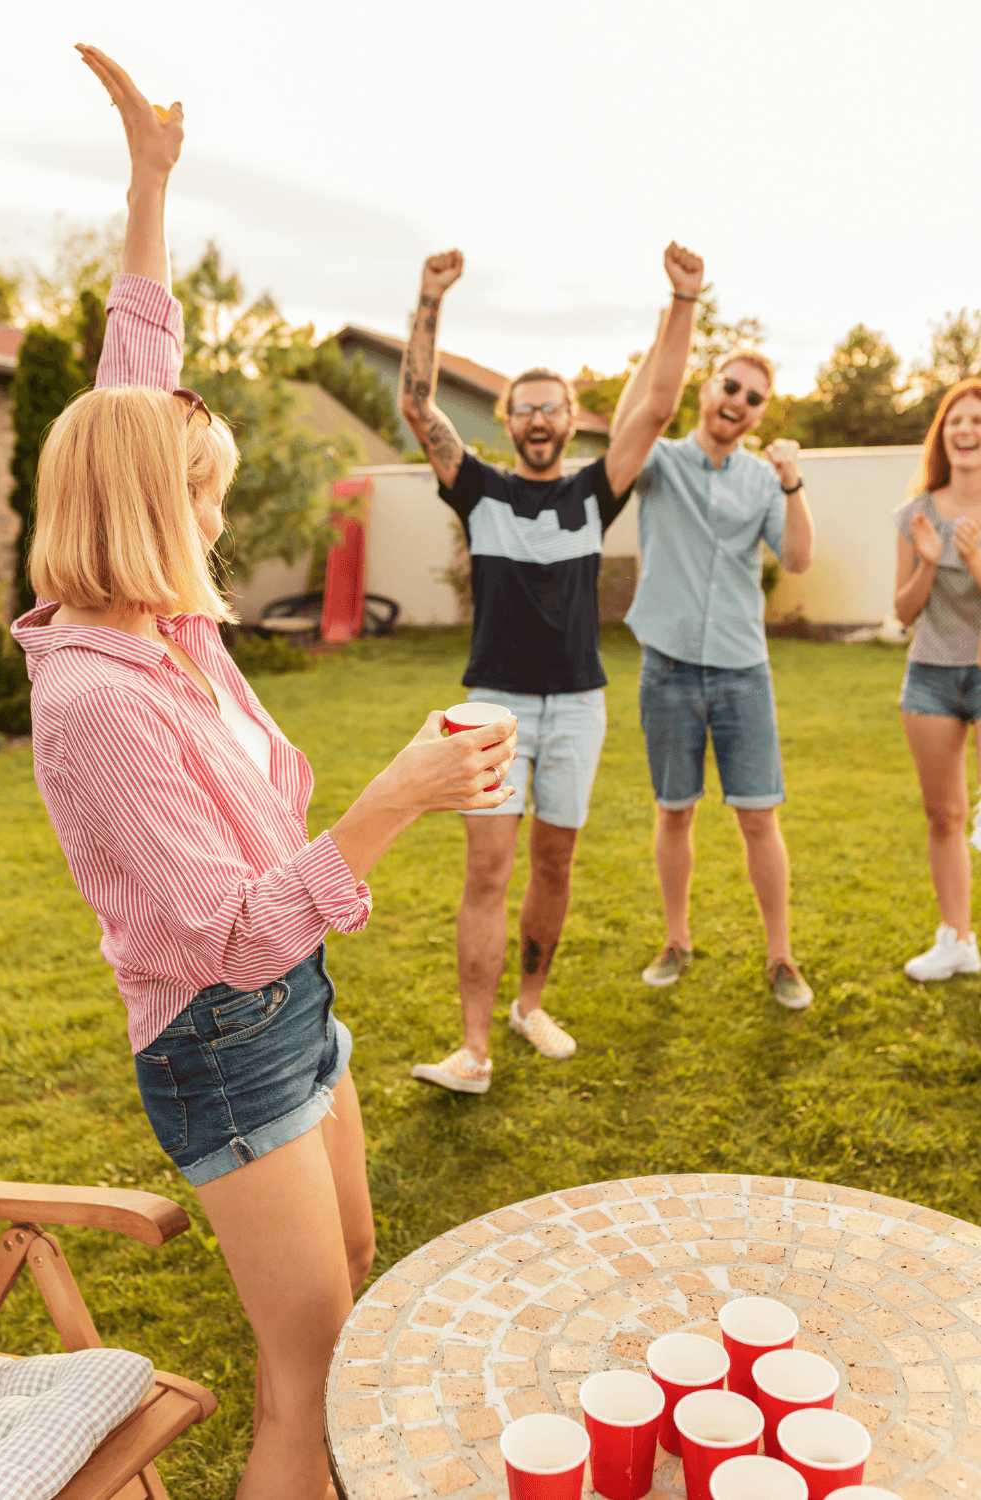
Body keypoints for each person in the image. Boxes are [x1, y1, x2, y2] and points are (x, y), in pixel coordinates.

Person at [11, 49, 517, 1500]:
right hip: (223, 1032)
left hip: (294, 1005)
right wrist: (397, 799)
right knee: (312, 1374)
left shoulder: (160, 629)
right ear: (145, 513)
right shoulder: (97, 704)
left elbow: (133, 384)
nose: (217, 526)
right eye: (205, 502)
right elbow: (225, 934)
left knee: (353, 1263)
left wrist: (149, 184)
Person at [398, 241, 704, 1093]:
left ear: (570, 420)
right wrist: (430, 297)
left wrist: (684, 301)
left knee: (556, 865)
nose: (538, 419)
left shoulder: (594, 493)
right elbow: (418, 404)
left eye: (551, 407)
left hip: (577, 705)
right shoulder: (478, 490)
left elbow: (658, 407)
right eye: (524, 408)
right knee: (487, 872)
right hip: (492, 707)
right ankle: (473, 1050)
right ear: (508, 419)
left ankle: (529, 1006)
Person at [613, 349, 816, 1008]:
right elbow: (625, 430)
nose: (739, 401)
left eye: (755, 397)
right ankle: (677, 940)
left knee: (759, 818)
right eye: (732, 386)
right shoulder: (660, 461)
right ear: (707, 389)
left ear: (760, 413)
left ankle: (781, 956)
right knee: (674, 811)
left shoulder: (764, 479)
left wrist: (792, 482)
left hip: (742, 671)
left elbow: (799, 557)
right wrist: (661, 347)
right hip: (667, 667)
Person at [894, 378, 981, 981]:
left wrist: (974, 561)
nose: (966, 430)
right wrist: (928, 561)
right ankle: (957, 939)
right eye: (956, 420)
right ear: (942, 434)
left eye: (977, 420)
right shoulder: (915, 514)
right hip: (930, 676)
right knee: (944, 817)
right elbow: (903, 611)